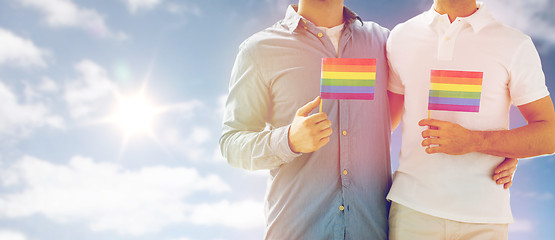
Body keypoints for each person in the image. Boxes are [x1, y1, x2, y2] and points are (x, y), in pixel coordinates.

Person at [220, 0, 393, 238]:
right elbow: (231, 144)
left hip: (370, 230)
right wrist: (288, 140)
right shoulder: (259, 50)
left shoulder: (384, 43)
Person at [386, 0, 555, 239]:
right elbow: (381, 125)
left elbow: (549, 135)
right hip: (412, 212)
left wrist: (477, 141)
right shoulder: (401, 36)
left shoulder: (514, 44)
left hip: (485, 220)